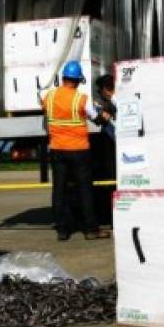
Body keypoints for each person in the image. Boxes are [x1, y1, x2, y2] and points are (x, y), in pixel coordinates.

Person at [42, 61, 111, 241]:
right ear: (78, 80)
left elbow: (43, 105)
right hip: (79, 150)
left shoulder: (48, 97)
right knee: (84, 190)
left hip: (57, 149)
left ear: (63, 78)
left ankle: (62, 231)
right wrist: (104, 115)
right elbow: (97, 118)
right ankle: (91, 230)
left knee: (59, 190)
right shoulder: (81, 99)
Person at [94, 73, 116, 141]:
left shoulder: (115, 99)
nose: (98, 92)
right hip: (108, 137)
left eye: (100, 89)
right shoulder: (99, 102)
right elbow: (98, 120)